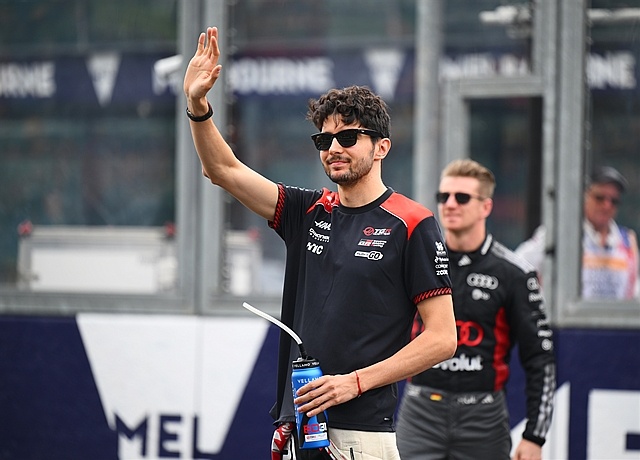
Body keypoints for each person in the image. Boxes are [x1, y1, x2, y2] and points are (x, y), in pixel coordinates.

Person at [183, 27, 457, 460]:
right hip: (298, 431)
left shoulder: (412, 222)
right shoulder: (308, 210)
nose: (333, 148)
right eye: (323, 140)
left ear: (381, 147)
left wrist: (355, 382)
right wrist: (198, 107)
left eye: (348, 137)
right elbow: (223, 170)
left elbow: (442, 338)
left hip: (360, 435)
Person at [396, 159, 556, 460]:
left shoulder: (515, 273)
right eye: (443, 196)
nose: (450, 204)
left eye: (462, 197)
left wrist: (535, 435)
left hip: (484, 419)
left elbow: (540, 358)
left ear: (486, 207)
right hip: (419, 412)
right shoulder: (416, 259)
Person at [516, 166, 639, 300]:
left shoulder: (627, 241)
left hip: (615, 314)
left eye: (614, 201)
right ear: (585, 196)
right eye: (599, 198)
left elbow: (635, 291)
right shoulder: (561, 234)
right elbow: (517, 266)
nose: (607, 206)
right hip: (567, 314)